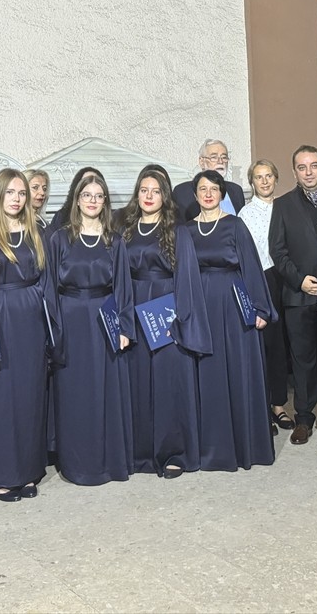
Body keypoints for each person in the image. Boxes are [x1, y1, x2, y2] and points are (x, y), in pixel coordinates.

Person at [44, 171, 134, 485]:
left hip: (105, 322)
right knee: (74, 393)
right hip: (70, 322)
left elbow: (123, 286)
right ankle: (76, 463)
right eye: (87, 196)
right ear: (77, 199)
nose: (92, 201)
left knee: (104, 390)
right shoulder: (60, 238)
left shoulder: (115, 239)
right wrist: (54, 331)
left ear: (105, 201)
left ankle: (108, 462)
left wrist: (124, 326)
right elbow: (49, 288)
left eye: (98, 196)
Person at [120, 167, 210, 477]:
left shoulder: (178, 231)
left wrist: (181, 320)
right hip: (135, 309)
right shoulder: (127, 231)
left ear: (164, 196)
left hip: (166, 311)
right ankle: (141, 454)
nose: (148, 196)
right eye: (144, 190)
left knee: (169, 383)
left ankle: (174, 453)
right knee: (139, 383)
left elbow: (187, 278)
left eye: (155, 191)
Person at [185, 170, 276, 469]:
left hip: (235, 306)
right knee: (208, 375)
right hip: (201, 307)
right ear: (195, 194)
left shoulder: (235, 225)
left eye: (214, 189)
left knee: (237, 371)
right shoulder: (185, 231)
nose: (208, 194)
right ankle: (212, 448)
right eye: (202, 189)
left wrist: (261, 309)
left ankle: (244, 445)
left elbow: (251, 266)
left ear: (222, 194)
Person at [0, 169, 50, 501]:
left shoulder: (35, 232)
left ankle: (29, 470)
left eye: (22, 193)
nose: (18, 198)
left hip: (31, 317)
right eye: (11, 193)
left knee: (30, 394)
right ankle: (3, 474)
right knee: (1, 398)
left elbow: (46, 280)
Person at [269, 145, 317, 444]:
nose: (309, 172)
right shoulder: (283, 204)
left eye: (314, 165)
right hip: (298, 295)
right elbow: (277, 250)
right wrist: (299, 280)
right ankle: (304, 418)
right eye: (302, 167)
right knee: (302, 361)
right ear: (294, 172)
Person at [239, 159, 293, 431]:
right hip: (262, 279)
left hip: (287, 279)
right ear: (252, 182)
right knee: (265, 345)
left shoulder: (286, 208)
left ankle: (279, 405)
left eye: (269, 175)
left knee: (282, 345)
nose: (264, 181)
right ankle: (262, 406)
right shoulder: (245, 214)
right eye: (258, 177)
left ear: (276, 178)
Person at [173, 139, 247, 220]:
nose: (220, 161)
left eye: (224, 157)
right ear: (202, 162)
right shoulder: (182, 192)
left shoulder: (236, 190)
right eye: (214, 157)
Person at [49, 167, 106, 231]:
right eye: (87, 195)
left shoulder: (111, 222)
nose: (93, 200)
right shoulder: (61, 217)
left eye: (99, 196)